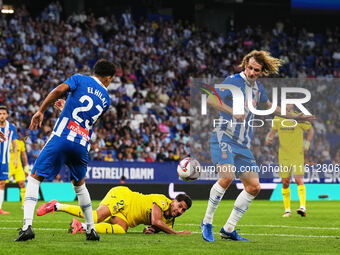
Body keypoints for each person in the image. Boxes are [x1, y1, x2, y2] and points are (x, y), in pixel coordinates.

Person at [200, 50, 315, 242]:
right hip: (224, 137)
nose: (252, 72)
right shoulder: (233, 81)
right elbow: (211, 100)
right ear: (245, 65)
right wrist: (232, 111)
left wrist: (297, 116)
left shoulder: (258, 89)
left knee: (254, 187)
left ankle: (228, 229)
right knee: (227, 176)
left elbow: (272, 108)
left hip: (243, 145)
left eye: (256, 70)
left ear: (261, 72)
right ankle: (207, 222)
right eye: (250, 68)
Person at [15, 59, 115, 242]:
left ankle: (27, 226)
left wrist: (41, 110)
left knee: (35, 177)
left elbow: (59, 90)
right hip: (82, 143)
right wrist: (65, 110)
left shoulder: (79, 79)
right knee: (80, 186)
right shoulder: (106, 99)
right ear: (108, 78)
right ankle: (91, 230)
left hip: (62, 137)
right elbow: (85, 119)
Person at [36, 186, 192, 235]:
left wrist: (151, 230)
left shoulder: (169, 222)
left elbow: (156, 226)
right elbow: (156, 221)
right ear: (173, 202)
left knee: (121, 230)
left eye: (183, 210)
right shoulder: (162, 200)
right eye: (179, 206)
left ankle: (81, 226)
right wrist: (177, 233)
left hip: (125, 217)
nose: (179, 211)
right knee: (97, 217)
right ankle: (56, 205)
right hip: (124, 197)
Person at [265, 105, 315, 217]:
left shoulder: (298, 117)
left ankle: (302, 207)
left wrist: (307, 144)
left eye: (287, 103)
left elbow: (311, 130)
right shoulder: (277, 118)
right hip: (283, 155)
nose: (285, 106)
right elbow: (272, 132)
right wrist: (270, 138)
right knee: (285, 182)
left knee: (298, 179)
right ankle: (287, 210)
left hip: (297, 154)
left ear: (291, 105)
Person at [0, 106, 18, 215]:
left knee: (2, 183)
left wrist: (15, 159)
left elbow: (14, 144)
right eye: (0, 113)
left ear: (7, 115)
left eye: (3, 113)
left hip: (4, 161)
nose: (1, 116)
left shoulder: (11, 127)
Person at [9, 129, 29, 208]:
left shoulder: (20, 143)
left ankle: (24, 204)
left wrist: (26, 167)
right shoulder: (5, 142)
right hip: (7, 167)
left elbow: (24, 156)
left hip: (18, 167)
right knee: (1, 184)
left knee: (22, 184)